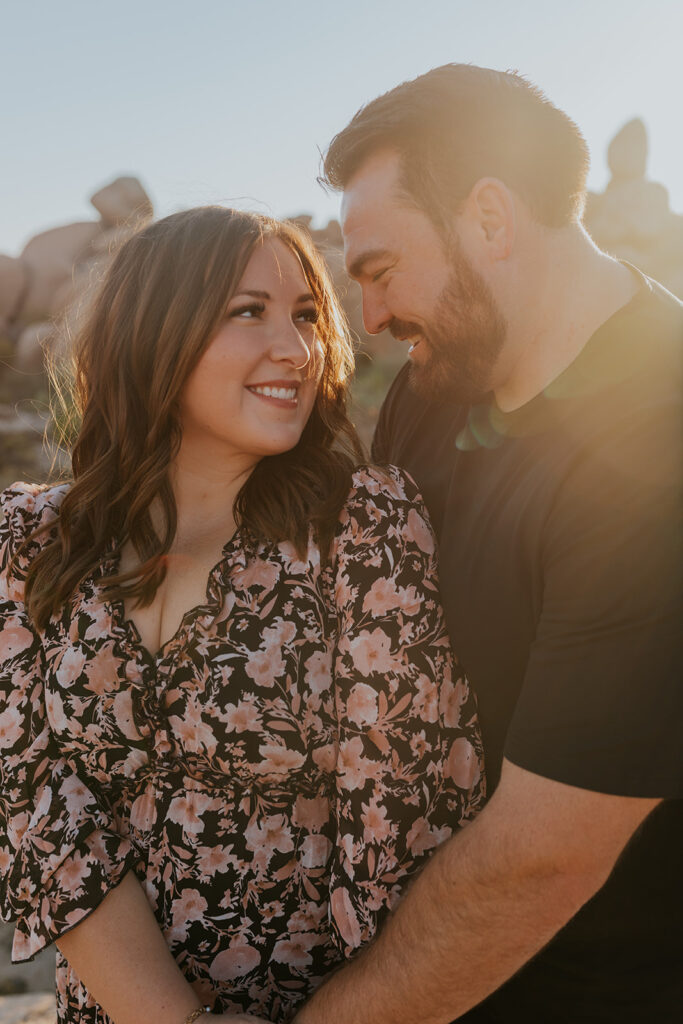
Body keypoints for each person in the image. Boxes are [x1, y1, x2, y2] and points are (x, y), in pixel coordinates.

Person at [0, 206, 485, 1024]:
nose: (295, 350)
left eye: (305, 315)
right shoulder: (29, 539)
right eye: (247, 311)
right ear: (155, 330)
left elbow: (406, 830)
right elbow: (37, 808)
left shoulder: (361, 528)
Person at [293, 64, 683, 1024]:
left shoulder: (660, 438)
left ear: (490, 219)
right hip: (428, 974)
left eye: (380, 271)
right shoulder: (436, 396)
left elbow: (545, 854)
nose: (370, 320)